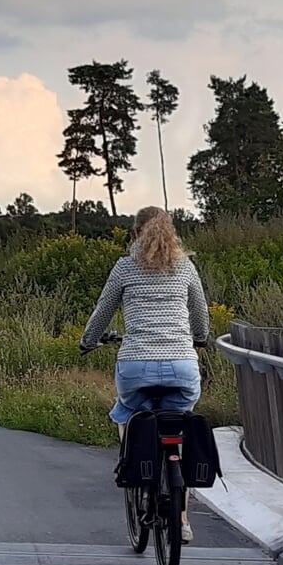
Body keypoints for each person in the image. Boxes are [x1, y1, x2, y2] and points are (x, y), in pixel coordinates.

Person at [80, 206, 211, 541]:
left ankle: (134, 472)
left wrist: (88, 341)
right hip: (182, 365)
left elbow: (103, 309)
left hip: (136, 365)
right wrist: (199, 338)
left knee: (127, 414)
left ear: (136, 233)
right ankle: (181, 519)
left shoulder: (125, 267)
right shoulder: (185, 267)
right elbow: (200, 312)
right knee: (178, 425)